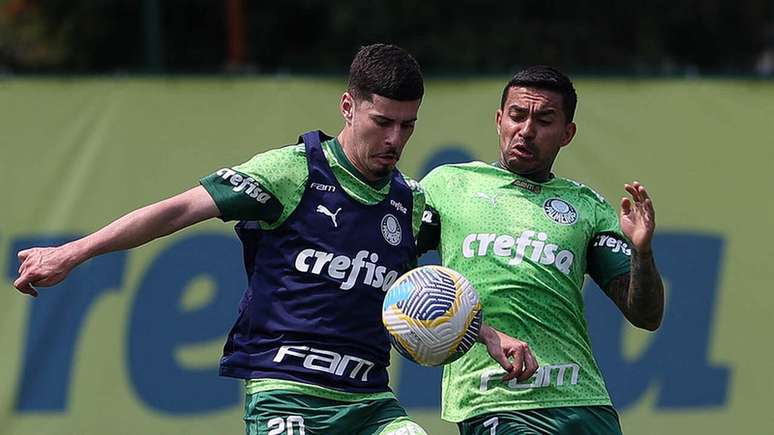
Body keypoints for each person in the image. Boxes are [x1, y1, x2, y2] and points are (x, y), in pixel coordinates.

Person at [12, 44, 526, 435]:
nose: (395, 140)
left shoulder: (409, 203)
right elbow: (177, 210)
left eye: (407, 126)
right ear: (348, 106)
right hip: (285, 393)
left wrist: (488, 334)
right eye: (382, 122)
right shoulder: (290, 172)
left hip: (369, 400)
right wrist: (72, 252)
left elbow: (427, 293)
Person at [417, 66, 665, 434]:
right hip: (496, 397)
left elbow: (646, 315)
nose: (527, 130)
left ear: (568, 134)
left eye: (544, 120)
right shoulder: (448, 185)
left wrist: (642, 252)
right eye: (517, 116)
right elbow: (395, 267)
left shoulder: (587, 206)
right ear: (499, 119)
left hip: (583, 401)